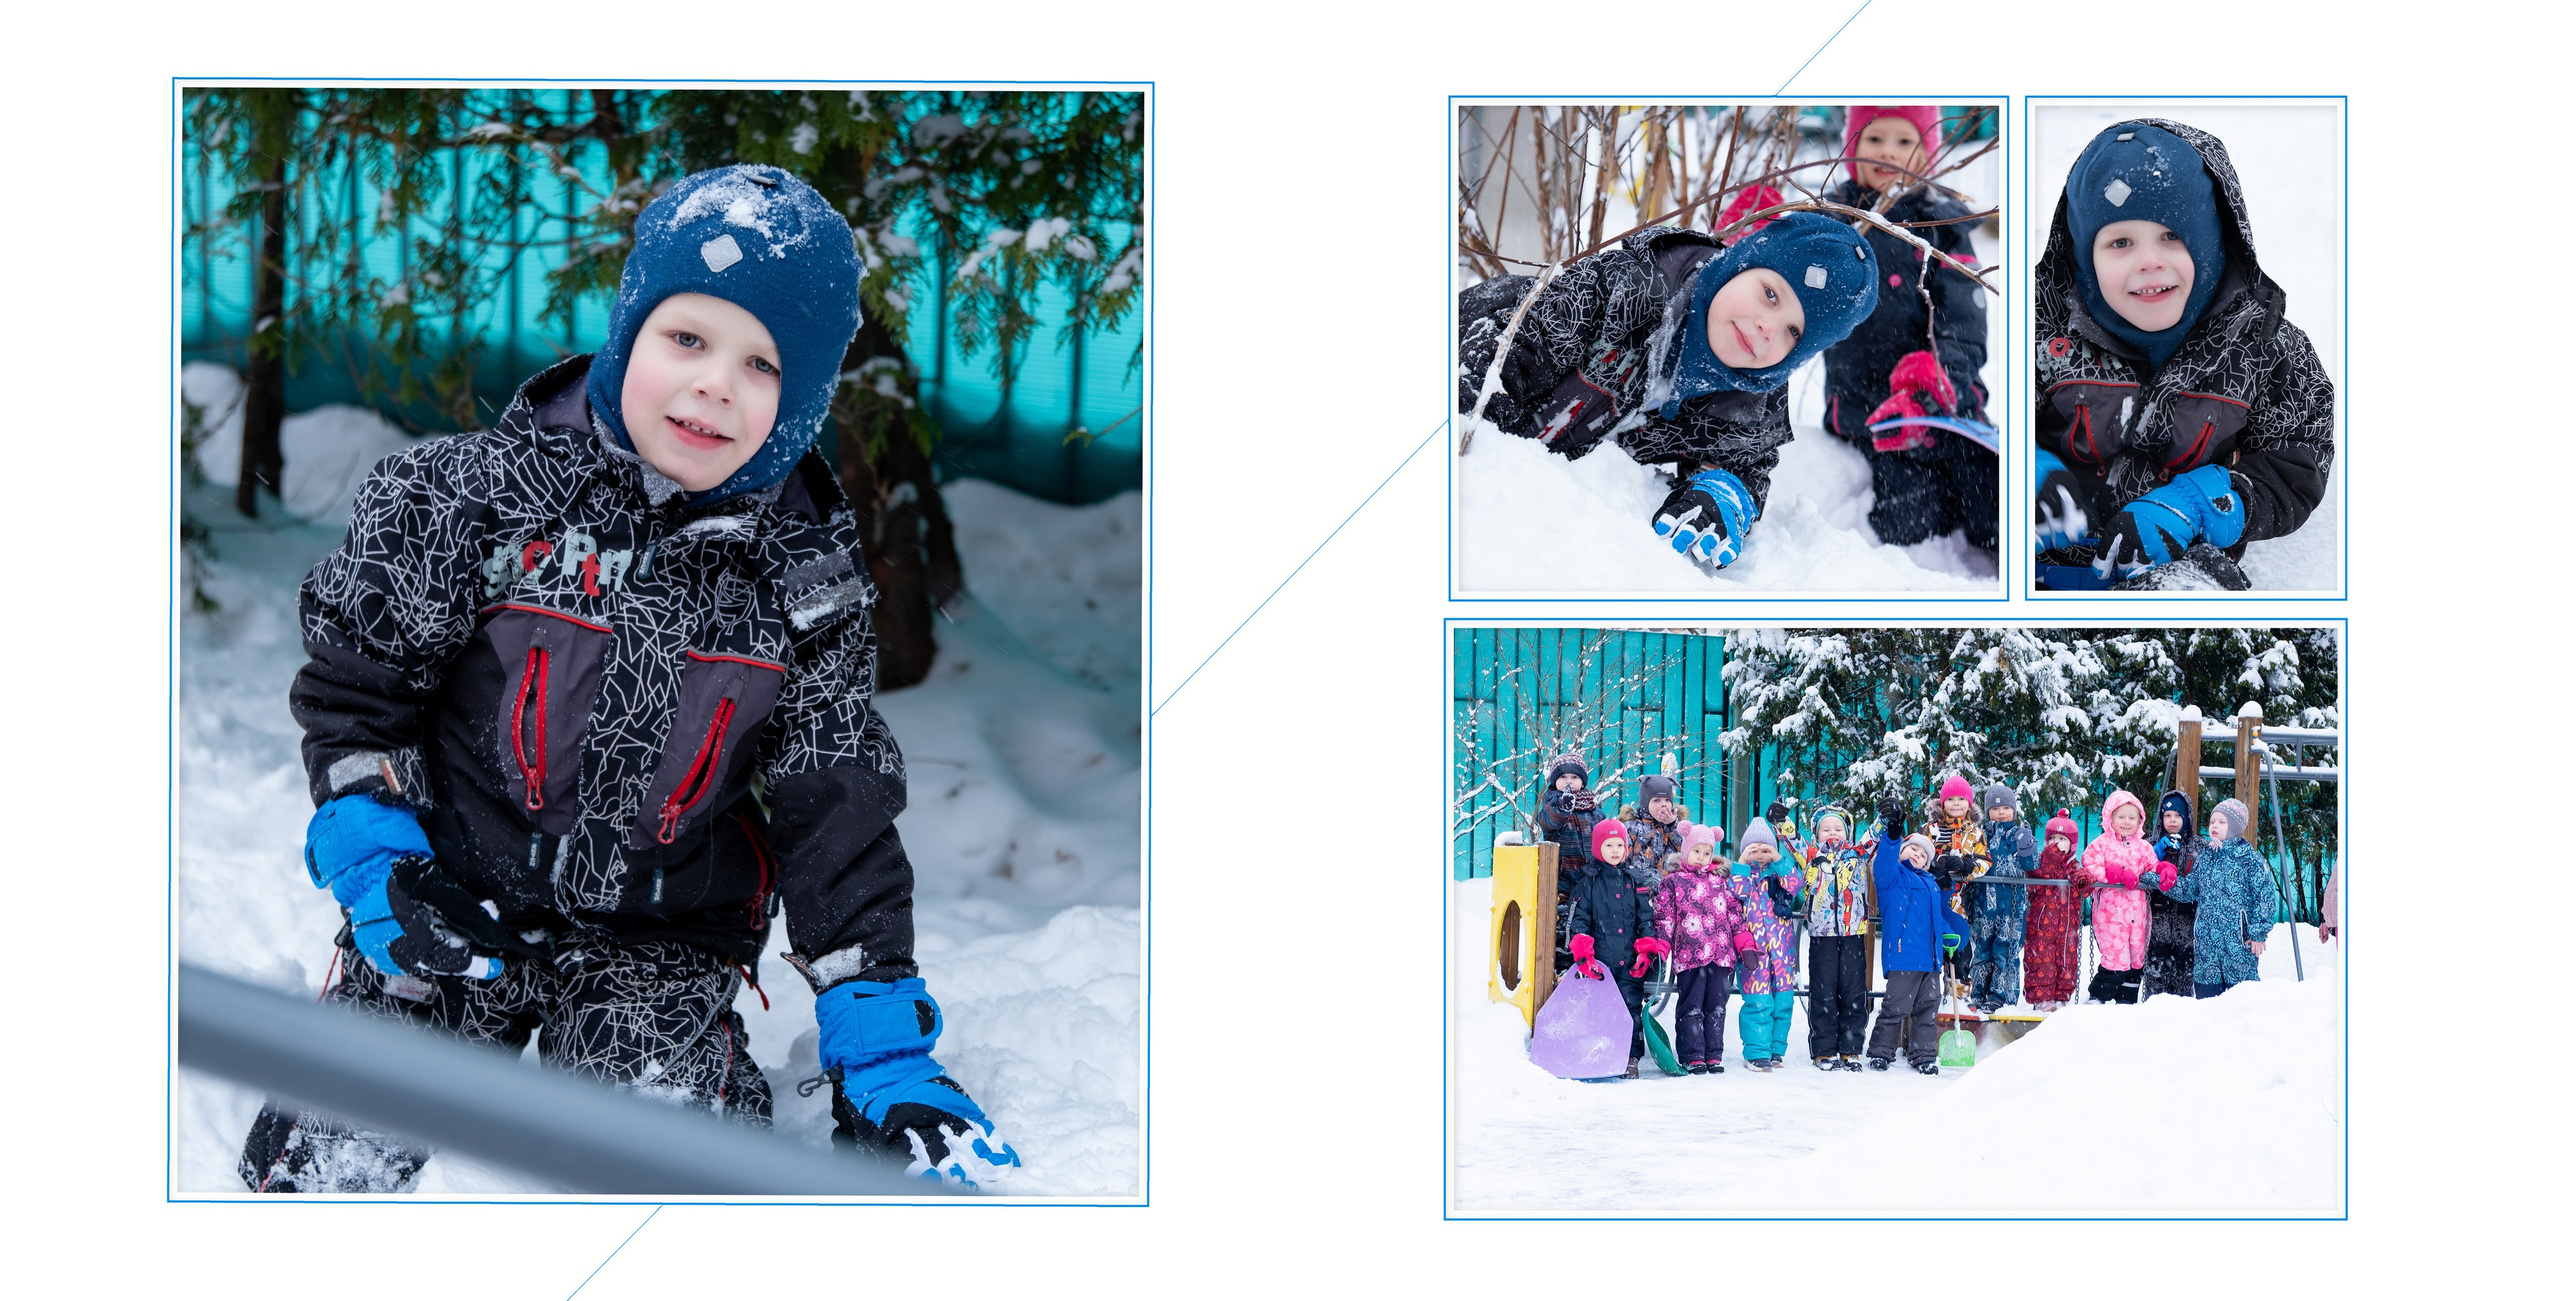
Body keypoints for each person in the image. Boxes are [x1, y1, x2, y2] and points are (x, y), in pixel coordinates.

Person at [238, 165, 1018, 1193]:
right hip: (450, 893)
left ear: (806, 400)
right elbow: (355, 703)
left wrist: (880, 1046)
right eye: (686, 339)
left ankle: (697, 1076)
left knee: (653, 1164)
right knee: (315, 1162)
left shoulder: (803, 588)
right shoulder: (469, 502)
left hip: (656, 937)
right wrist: (378, 859)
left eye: (762, 365)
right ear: (627, 329)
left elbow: (835, 813)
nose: (713, 385)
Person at [1458, 211, 1879, 574]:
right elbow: (1496, 358)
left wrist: (1720, 492)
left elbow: (1746, 466)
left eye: (1793, 332)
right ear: (1740, 264)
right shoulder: (1625, 292)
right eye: (1771, 294)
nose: (1768, 328)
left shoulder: (1752, 398)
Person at [2031, 119, 2334, 590]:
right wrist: (2029, 474)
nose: (2149, 261)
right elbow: (1986, 427)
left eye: (2172, 236)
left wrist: (2202, 503)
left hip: (2178, 571)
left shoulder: (2263, 347)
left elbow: (2299, 458)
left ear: (2212, 242)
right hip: (2049, 576)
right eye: (2120, 242)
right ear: (2084, 256)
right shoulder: (2043, 334)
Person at [1816, 105, 1996, 555]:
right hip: (1871, 409)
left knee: (1993, 498)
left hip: (1947, 398)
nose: (1888, 153)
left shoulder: (1945, 226)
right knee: (1912, 522)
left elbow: (1965, 321)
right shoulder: (1833, 222)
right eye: (1875, 139)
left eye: (1904, 141)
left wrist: (1943, 378)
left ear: (1925, 153)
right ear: (1853, 147)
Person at [2142, 800, 2279, 997]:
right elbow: (2189, 889)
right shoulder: (2206, 857)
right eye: (2212, 821)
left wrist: (2258, 933)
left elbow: (2265, 897)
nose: (2214, 826)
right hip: (2207, 948)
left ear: (2235, 826)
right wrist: (2155, 878)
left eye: (2221, 822)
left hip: (2238, 947)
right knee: (2208, 1003)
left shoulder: (2250, 859)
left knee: (2242, 1000)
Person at [1567, 819, 1670, 1079]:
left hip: (1628, 963)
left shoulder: (1635, 880)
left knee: (1630, 1008)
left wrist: (1646, 951)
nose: (1615, 850)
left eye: (1620, 845)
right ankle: (1601, 1054)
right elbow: (1579, 922)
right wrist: (1584, 956)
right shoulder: (1588, 882)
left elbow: (1646, 920)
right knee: (1599, 1010)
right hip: (1599, 964)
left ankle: (1630, 1057)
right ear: (1597, 848)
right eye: (1608, 845)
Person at [1652, 824, 1751, 1074]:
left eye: (1707, 852)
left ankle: (1713, 1054)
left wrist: (1745, 946)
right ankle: (1692, 1054)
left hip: (1719, 955)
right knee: (1691, 1006)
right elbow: (1665, 917)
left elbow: (1735, 916)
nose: (1702, 857)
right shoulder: (1672, 882)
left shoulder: (1721, 882)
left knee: (1716, 1007)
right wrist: (1661, 947)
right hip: (1689, 954)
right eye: (1697, 851)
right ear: (1686, 850)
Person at [1867, 831, 1967, 1074]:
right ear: (1901, 852)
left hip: (1930, 960)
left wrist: (1948, 936)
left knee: (1927, 1010)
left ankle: (1923, 1056)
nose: (1918, 855)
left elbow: (1937, 918)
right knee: (1895, 1008)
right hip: (1904, 956)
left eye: (1924, 855)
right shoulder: (1892, 877)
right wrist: (1892, 839)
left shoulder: (1931, 884)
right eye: (1913, 849)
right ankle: (1881, 1052)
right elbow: (1883, 861)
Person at [1802, 802, 1883, 1070]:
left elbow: (1874, 835)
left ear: (1847, 833)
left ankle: (1850, 1048)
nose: (1832, 833)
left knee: (1853, 992)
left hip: (1853, 933)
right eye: (1826, 829)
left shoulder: (1857, 855)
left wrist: (1885, 817)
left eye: (1838, 828)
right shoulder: (1810, 854)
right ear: (1816, 833)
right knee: (1823, 992)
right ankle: (1823, 1050)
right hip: (1821, 935)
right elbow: (1791, 840)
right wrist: (1781, 823)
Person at [2075, 790, 2165, 1004]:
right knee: (2116, 958)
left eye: (2132, 817)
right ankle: (2098, 996)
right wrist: (2110, 874)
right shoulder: (2101, 844)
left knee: (2136, 958)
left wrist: (2164, 869)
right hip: (2110, 914)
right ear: (2110, 818)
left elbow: (2152, 866)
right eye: (2121, 817)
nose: (2127, 822)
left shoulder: (2144, 847)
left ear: (2139, 820)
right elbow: (2088, 862)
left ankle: (2127, 1000)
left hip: (2139, 914)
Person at [1730, 817, 1804, 1070]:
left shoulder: (1780, 873)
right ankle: (1756, 1051)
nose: (1760, 855)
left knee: (1783, 1001)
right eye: (1754, 850)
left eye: (1765, 850)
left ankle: (1775, 1050)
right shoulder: (1742, 875)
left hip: (1782, 952)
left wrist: (1779, 860)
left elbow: (1796, 886)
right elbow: (1735, 894)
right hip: (1754, 952)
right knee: (1758, 1001)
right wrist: (1741, 864)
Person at [1966, 783, 2036, 1014]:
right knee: (1982, 950)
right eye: (1996, 809)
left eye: (2006, 808)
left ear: (2014, 811)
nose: (2001, 813)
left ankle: (2001, 996)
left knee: (2005, 951)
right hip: (1984, 905)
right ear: (1987, 812)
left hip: (2011, 908)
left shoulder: (2020, 834)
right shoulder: (1979, 835)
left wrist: (2026, 849)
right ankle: (1978, 994)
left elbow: (2032, 866)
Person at [2024, 812, 2090, 1009]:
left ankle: (2062, 998)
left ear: (2072, 844)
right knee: (2041, 961)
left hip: (2066, 927)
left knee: (2065, 961)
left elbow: (2085, 882)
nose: (2056, 842)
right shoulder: (2042, 861)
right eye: (2052, 838)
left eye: (2062, 839)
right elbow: (2039, 872)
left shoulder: (2073, 866)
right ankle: (2042, 999)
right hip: (2042, 925)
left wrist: (2083, 880)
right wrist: (2053, 854)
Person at [2143, 790, 2202, 999]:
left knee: (2185, 977)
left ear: (2187, 817)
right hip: (2157, 922)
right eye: (2168, 815)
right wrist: (2156, 851)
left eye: (2178, 815)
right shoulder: (2148, 845)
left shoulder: (2198, 846)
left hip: (2186, 924)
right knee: (2155, 975)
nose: (2173, 820)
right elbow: (2138, 868)